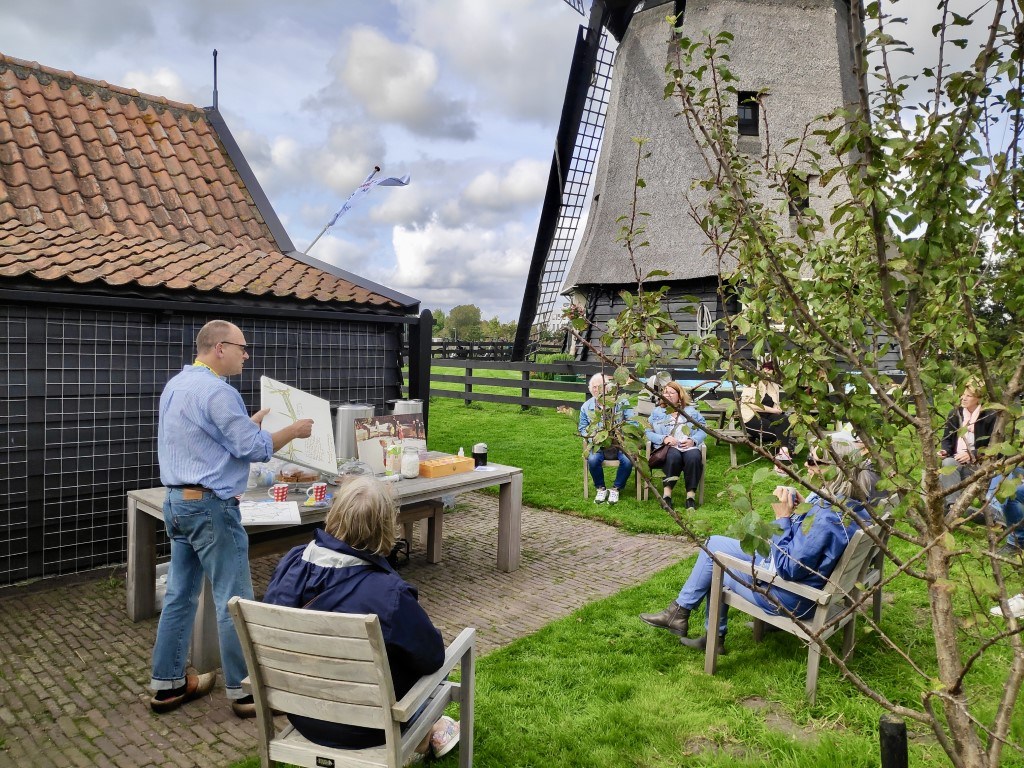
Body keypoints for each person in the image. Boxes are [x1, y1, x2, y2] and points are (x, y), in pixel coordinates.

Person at [149, 320, 314, 718]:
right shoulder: (218, 392)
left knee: (180, 594)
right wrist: (292, 430)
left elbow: (205, 440)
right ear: (219, 347)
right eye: (242, 347)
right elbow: (254, 450)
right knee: (233, 600)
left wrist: (248, 426)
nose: (247, 353)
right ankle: (245, 692)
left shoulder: (177, 385)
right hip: (210, 508)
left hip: (177, 503)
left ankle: (167, 683)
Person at [263, 477, 460, 759]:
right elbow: (432, 658)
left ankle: (428, 732)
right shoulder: (389, 595)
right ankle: (430, 730)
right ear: (385, 527)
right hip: (368, 727)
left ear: (334, 515)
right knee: (420, 662)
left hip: (302, 714)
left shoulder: (292, 563)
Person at [639, 435, 877, 652]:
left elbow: (789, 568)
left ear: (835, 469)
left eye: (813, 462)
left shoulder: (827, 517)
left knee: (716, 563)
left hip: (793, 598)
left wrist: (783, 517)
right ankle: (680, 612)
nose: (806, 466)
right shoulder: (851, 505)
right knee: (714, 543)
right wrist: (805, 509)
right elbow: (813, 547)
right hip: (810, 587)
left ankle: (710, 636)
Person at [645, 381, 707, 510]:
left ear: (680, 395)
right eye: (665, 392)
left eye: (671, 393)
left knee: (694, 457)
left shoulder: (691, 411)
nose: (667, 395)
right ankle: (667, 495)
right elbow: (647, 432)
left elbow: (703, 428)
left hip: (688, 446)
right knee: (673, 457)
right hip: (669, 447)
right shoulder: (657, 412)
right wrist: (664, 438)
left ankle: (690, 497)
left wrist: (693, 440)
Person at [939, 379, 997, 509]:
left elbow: (994, 447)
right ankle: (953, 506)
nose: (963, 398)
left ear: (978, 398)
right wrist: (945, 451)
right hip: (957, 460)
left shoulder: (989, 416)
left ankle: (956, 509)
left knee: (949, 475)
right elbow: (947, 439)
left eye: (968, 396)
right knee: (947, 463)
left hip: (979, 464)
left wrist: (972, 455)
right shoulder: (955, 414)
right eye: (962, 395)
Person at [579, 373, 633, 504]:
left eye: (600, 386)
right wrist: (594, 437)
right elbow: (582, 428)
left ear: (608, 388)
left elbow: (633, 423)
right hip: (599, 445)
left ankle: (616, 488)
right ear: (590, 389)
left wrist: (620, 434)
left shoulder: (621, 402)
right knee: (592, 460)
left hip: (620, 444)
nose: (597, 389)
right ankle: (601, 488)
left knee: (628, 460)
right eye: (594, 387)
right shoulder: (586, 407)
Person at [740, 359, 795, 474]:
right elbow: (752, 405)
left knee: (785, 421)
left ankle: (782, 455)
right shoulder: (753, 383)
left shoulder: (773, 384)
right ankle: (782, 462)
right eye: (766, 369)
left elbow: (775, 402)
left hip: (769, 415)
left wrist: (778, 408)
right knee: (777, 432)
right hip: (752, 417)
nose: (767, 372)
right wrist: (774, 410)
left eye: (771, 370)